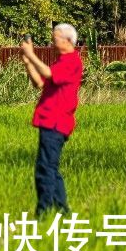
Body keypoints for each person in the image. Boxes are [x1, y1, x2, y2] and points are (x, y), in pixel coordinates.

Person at [20, 23, 83, 218]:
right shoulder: (61, 62)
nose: (52, 43)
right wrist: (28, 63)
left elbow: (47, 74)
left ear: (67, 40)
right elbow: (39, 82)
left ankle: (43, 213)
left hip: (56, 123)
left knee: (44, 169)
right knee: (51, 170)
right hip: (49, 121)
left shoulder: (72, 62)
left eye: (55, 39)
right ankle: (63, 211)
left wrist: (31, 55)